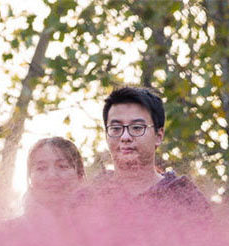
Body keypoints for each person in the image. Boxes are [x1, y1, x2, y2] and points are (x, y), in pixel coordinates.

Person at [84, 86, 211, 217]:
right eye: (116, 128)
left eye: (137, 128)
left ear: (158, 136)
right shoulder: (88, 198)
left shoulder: (186, 200)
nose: (125, 137)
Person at [23, 137, 85, 217]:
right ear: (30, 177)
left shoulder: (102, 221)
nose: (52, 175)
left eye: (62, 166)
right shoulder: (11, 228)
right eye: (41, 168)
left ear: (79, 174)